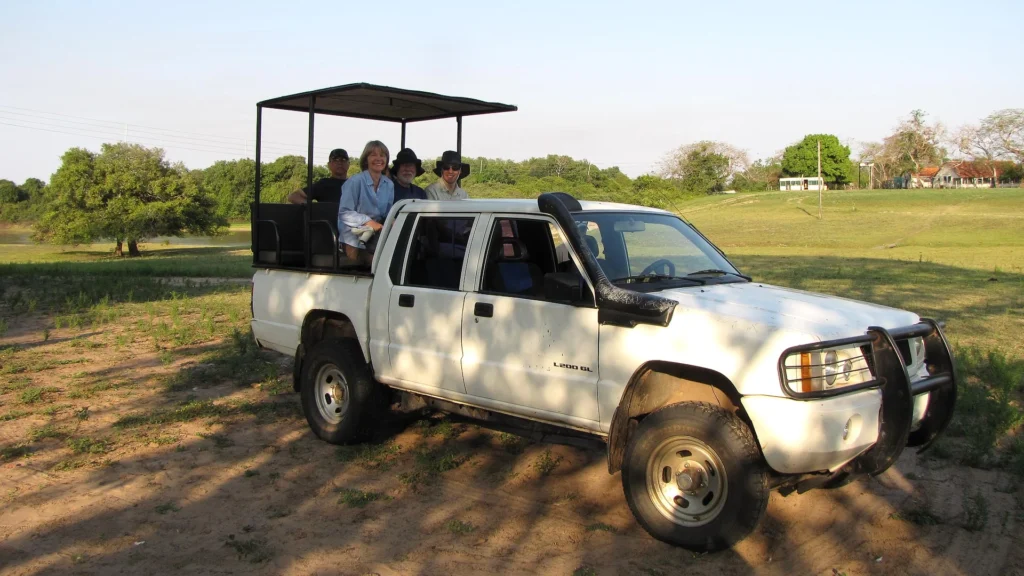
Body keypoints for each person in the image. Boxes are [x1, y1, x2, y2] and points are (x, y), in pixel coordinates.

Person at [338, 141, 394, 265]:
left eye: (383, 155)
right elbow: (344, 213)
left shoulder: (389, 184)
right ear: (366, 159)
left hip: (378, 235)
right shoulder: (354, 182)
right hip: (354, 237)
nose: (379, 159)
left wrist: (393, 220)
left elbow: (387, 213)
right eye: (373, 155)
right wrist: (369, 222)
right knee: (378, 263)